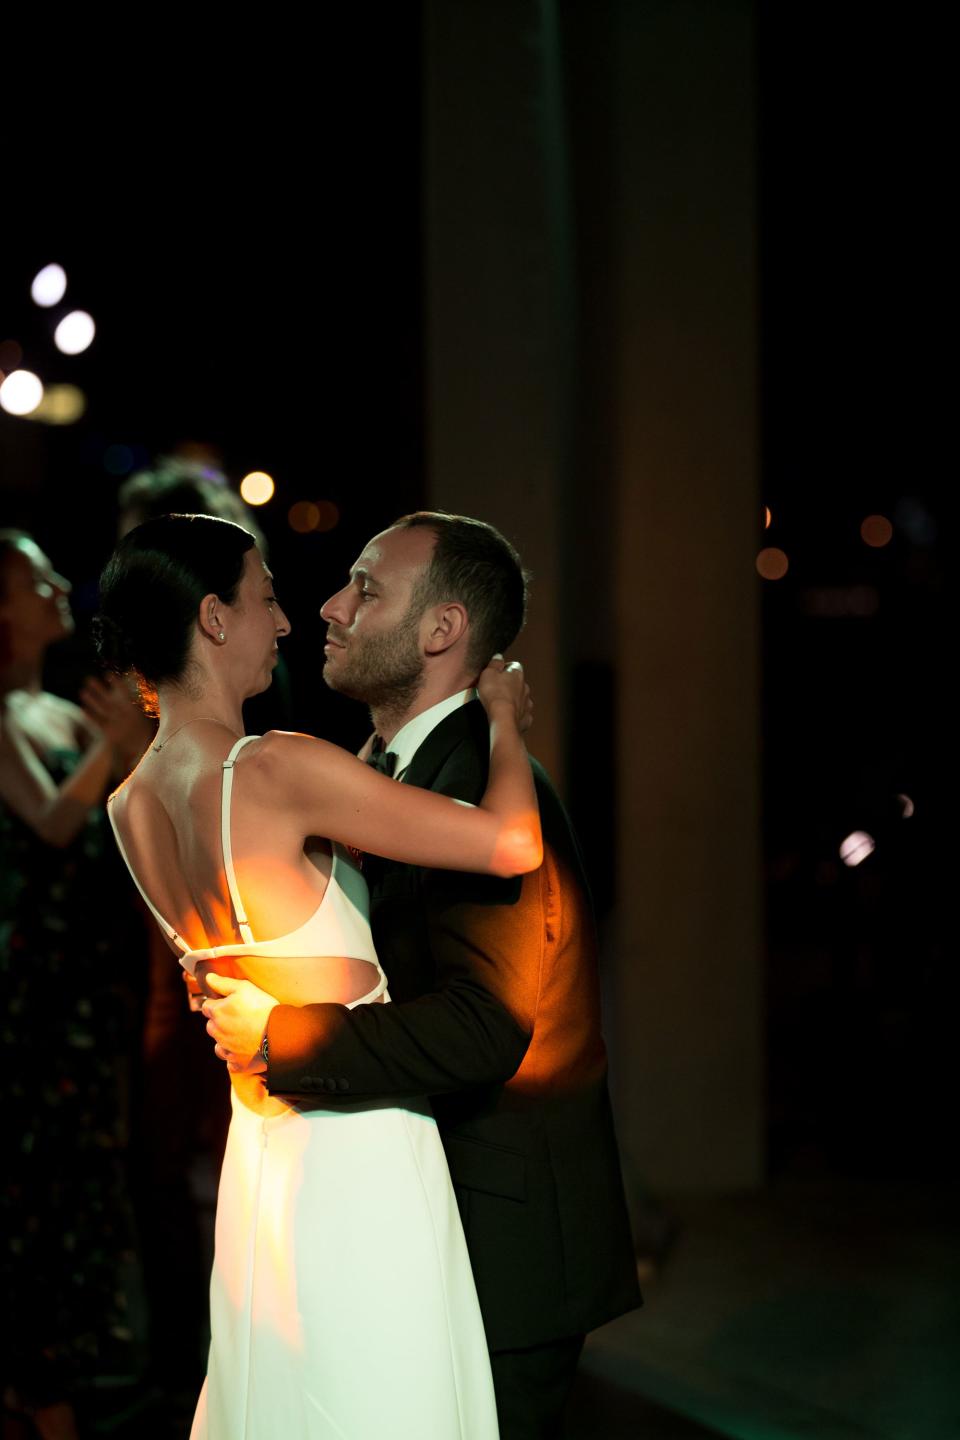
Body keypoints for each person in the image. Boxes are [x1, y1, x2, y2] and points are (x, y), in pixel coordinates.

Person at [95, 512, 544, 1440]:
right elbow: (511, 842)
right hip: (360, 1142)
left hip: (262, 1152)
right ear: (214, 619)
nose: (290, 622)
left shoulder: (127, 804)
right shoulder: (276, 767)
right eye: (266, 599)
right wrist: (503, 720)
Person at [202, 512, 642, 1439]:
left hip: (501, 1241)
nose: (329, 607)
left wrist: (283, 1039)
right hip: (415, 1217)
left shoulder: (481, 774)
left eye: (366, 588)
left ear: (440, 631)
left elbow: (486, 1025)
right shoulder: (386, 772)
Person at [0, 532, 152, 1440]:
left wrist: (124, 750)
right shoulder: (12, 720)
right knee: (36, 1187)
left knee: (85, 1180)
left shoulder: (55, 711)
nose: (60, 584)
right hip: (29, 995)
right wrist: (115, 744)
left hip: (87, 987)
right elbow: (53, 823)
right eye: (35, 577)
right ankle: (37, 1389)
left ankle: (60, 1385)